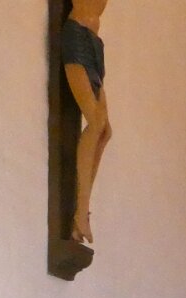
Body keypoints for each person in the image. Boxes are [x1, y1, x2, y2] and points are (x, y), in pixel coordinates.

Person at [61, 0, 111, 244]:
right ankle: (81, 213)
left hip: (94, 44)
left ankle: (81, 211)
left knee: (105, 132)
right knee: (96, 122)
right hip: (77, 37)